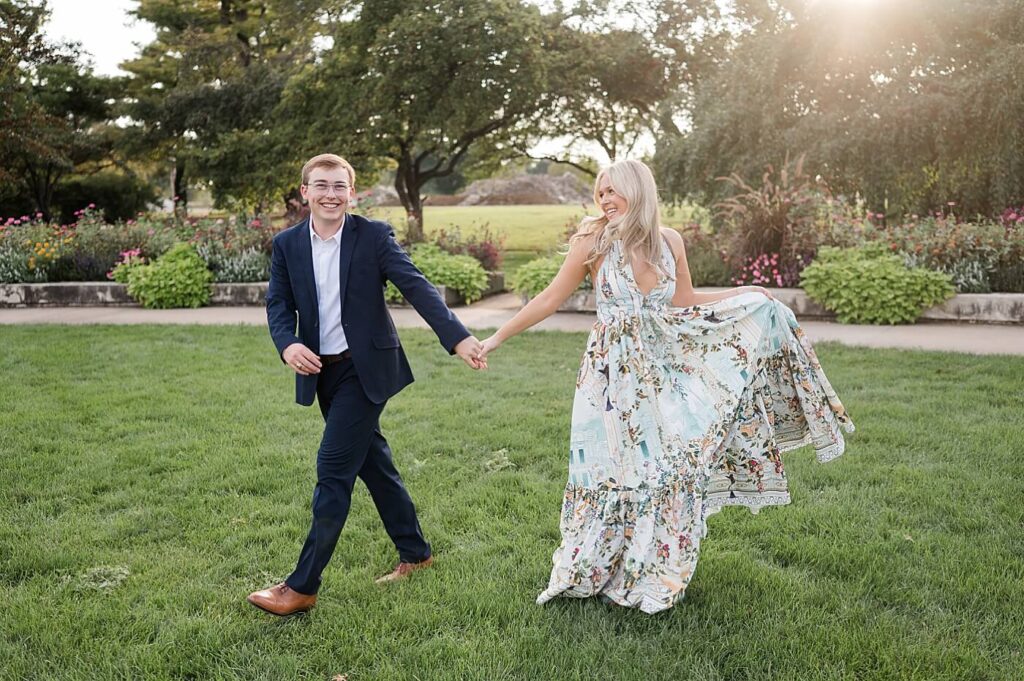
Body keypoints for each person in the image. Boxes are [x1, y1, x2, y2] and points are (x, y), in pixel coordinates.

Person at [478, 159, 854, 614]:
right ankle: (597, 565)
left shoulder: (669, 242)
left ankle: (656, 570)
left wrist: (746, 293)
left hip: (665, 369)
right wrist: (495, 338)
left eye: (614, 191)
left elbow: (685, 302)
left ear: (639, 192)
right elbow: (549, 299)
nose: (606, 200)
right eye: (601, 194)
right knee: (613, 471)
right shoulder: (593, 242)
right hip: (611, 378)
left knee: (672, 467)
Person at [248, 153, 485, 616]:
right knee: (373, 464)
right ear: (305, 193)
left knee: (333, 470)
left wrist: (457, 338)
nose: (331, 194)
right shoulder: (288, 245)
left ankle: (302, 586)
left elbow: (415, 286)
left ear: (352, 193)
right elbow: (278, 304)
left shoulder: (373, 237)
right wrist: (287, 344)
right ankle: (416, 553)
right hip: (323, 372)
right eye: (321, 186)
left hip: (367, 370)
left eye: (339, 186)